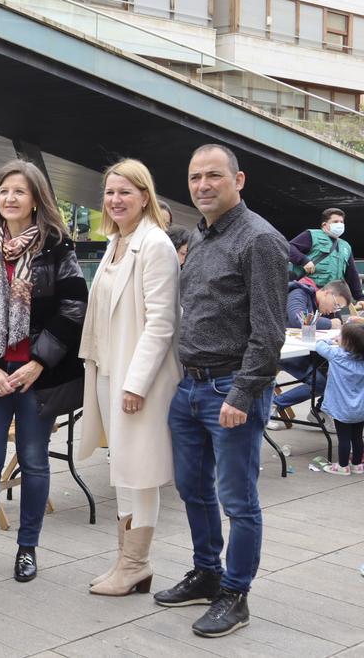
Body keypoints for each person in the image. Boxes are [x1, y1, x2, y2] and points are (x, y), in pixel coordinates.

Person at [153, 144, 287, 638]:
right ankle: (207, 573)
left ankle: (236, 593)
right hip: (189, 388)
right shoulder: (203, 237)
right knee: (192, 489)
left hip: (231, 388)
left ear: (239, 180)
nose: (203, 185)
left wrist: (242, 395)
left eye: (214, 175)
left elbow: (269, 331)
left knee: (238, 499)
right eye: (194, 177)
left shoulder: (260, 241)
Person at [0, 159, 87, 585]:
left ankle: (27, 548)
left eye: (20, 192)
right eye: (4, 191)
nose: (10, 198)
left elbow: (73, 307)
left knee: (34, 462)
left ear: (35, 200)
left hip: (38, 375)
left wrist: (38, 361)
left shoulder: (56, 247)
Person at [77, 159, 180, 597]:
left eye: (125, 192)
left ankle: (136, 562)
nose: (115, 200)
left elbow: (161, 322)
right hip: (105, 368)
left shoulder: (154, 243)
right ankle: (127, 561)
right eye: (110, 192)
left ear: (144, 196)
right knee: (122, 467)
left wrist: (135, 383)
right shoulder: (116, 242)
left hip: (136, 379)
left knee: (139, 470)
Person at [266, 278, 350, 430]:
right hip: (284, 349)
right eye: (336, 305)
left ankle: (320, 410)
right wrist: (330, 323)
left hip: (306, 350)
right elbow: (297, 319)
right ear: (326, 293)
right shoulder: (300, 293)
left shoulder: (320, 306)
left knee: (340, 371)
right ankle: (273, 404)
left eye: (339, 309)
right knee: (321, 382)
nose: (334, 310)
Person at [316, 324, 364, 475]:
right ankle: (357, 464)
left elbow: (319, 345)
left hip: (342, 407)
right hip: (360, 408)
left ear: (347, 342)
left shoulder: (336, 354)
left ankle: (343, 466)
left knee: (343, 438)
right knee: (357, 437)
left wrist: (332, 340)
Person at [288, 208, 362, 301]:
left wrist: (360, 298)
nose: (339, 224)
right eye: (335, 221)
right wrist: (303, 261)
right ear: (325, 224)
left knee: (335, 316)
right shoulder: (311, 235)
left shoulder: (346, 246)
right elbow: (288, 247)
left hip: (332, 297)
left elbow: (352, 274)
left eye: (341, 222)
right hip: (308, 293)